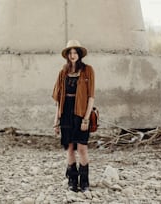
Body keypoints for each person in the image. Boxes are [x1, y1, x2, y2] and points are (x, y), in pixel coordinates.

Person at [52, 40, 95, 192]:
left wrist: (86, 118)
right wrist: (56, 121)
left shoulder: (88, 70)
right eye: (70, 53)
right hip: (65, 114)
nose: (72, 55)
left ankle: (84, 182)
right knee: (70, 148)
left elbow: (91, 97)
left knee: (82, 148)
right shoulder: (63, 72)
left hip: (81, 113)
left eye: (75, 52)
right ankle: (72, 181)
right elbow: (58, 99)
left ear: (79, 54)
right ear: (67, 55)